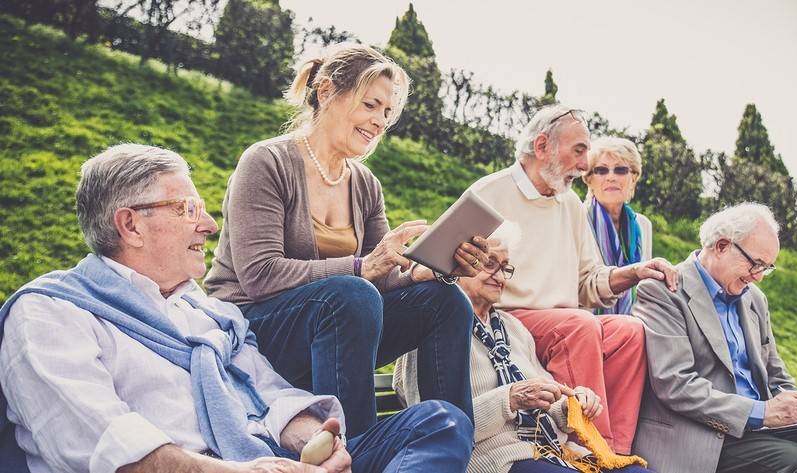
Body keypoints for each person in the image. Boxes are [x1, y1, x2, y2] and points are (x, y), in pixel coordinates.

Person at [0, 144, 474, 473]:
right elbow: (105, 446)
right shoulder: (50, 314)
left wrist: (315, 443)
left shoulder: (210, 314)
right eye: (187, 208)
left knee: (439, 421)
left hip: (272, 461)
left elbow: (269, 393)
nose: (207, 224)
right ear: (130, 225)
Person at [204, 44, 488, 437]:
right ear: (326, 91)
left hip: (334, 324)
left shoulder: (365, 184)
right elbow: (259, 275)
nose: (380, 122)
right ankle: (357, 451)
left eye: (387, 113)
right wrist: (362, 268)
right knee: (352, 294)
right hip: (253, 328)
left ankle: (454, 438)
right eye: (371, 105)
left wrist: (419, 274)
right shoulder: (266, 162)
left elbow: (380, 277)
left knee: (445, 301)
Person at [465, 104, 678, 455]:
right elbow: (454, 271)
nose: (584, 166)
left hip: (564, 323)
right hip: (506, 323)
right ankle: (591, 450)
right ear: (541, 147)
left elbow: (589, 283)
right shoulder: (490, 194)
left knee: (629, 331)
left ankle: (619, 451)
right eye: (579, 151)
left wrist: (635, 271)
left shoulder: (570, 205)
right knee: (579, 325)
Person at [632, 202, 797, 473]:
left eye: (767, 267)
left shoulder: (754, 300)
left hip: (758, 430)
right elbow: (675, 384)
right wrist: (762, 412)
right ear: (722, 245)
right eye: (756, 263)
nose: (759, 277)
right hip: (699, 436)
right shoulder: (664, 291)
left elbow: (776, 374)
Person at [393, 243, 653, 473]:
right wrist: (509, 399)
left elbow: (547, 399)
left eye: (505, 268)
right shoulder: (431, 329)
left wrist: (569, 406)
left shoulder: (513, 327)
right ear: (460, 263)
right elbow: (432, 427)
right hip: (497, 458)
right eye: (489, 264)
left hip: (554, 453)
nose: (499, 276)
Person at [582, 137, 652, 315]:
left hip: (632, 326)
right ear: (589, 179)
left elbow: (644, 289)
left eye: (620, 170)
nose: (611, 177)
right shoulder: (577, 219)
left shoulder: (643, 225)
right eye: (601, 170)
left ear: (634, 177)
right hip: (585, 325)